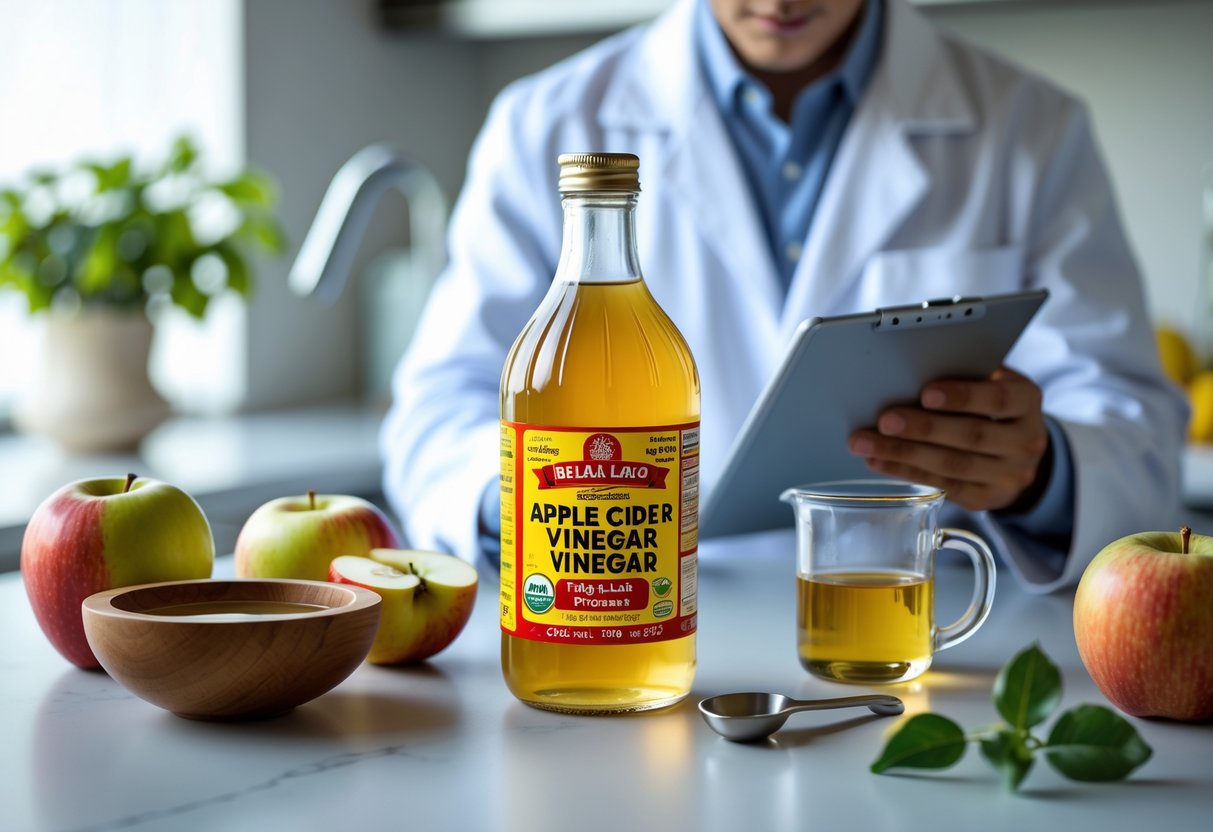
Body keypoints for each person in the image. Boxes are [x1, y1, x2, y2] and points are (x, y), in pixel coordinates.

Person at [380, 0, 1187, 593]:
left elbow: (1136, 430)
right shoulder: (546, 125)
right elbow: (436, 413)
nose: (777, 2)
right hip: (628, 615)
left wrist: (1039, 471)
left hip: (920, 629)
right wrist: (541, 502)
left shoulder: (1029, 127)